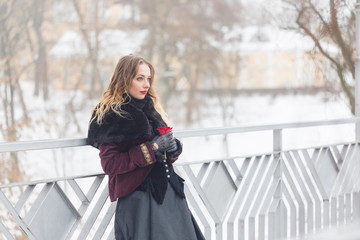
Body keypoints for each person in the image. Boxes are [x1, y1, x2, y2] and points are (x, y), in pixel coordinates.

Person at [87, 55, 205, 240]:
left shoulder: (150, 109)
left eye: (148, 79)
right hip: (140, 200)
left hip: (171, 197)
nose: (146, 84)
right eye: (139, 78)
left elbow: (163, 154)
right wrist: (152, 147)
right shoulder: (111, 114)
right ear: (124, 79)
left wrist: (172, 149)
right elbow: (110, 164)